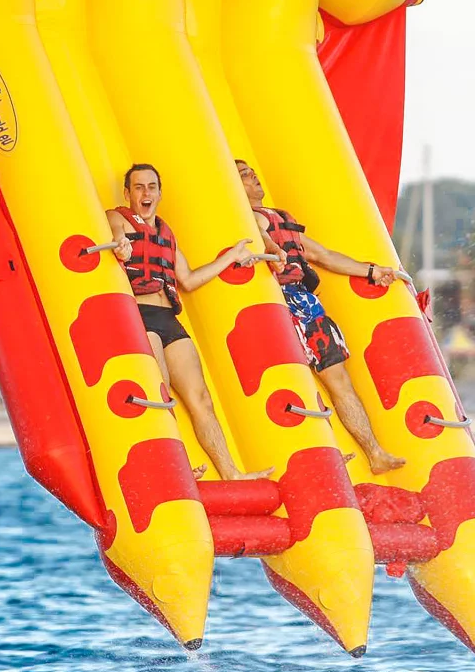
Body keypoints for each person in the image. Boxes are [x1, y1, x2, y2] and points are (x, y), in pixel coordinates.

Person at [236, 159, 406, 476]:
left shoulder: (278, 219)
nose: (253, 177)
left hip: (308, 305)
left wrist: (372, 270)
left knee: (339, 381)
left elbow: (324, 256)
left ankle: (375, 453)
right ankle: (322, 447)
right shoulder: (246, 220)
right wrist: (272, 247)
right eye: (244, 175)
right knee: (296, 377)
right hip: (281, 304)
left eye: (252, 172)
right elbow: (264, 240)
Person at [107, 164, 273, 482]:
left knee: (201, 399)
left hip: (168, 318)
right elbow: (118, 236)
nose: (145, 193)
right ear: (128, 193)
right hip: (140, 316)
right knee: (161, 392)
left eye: (151, 187)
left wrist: (230, 257)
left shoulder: (167, 236)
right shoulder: (118, 218)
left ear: (159, 192)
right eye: (139, 187)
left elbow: (189, 279)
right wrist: (122, 245)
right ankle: (176, 468)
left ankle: (230, 472)